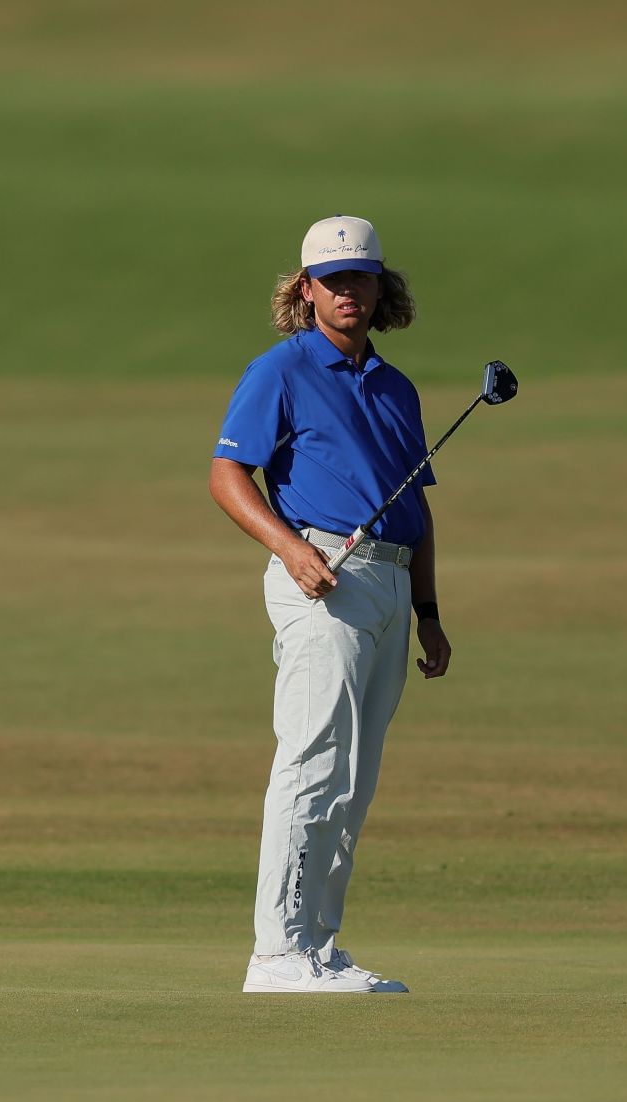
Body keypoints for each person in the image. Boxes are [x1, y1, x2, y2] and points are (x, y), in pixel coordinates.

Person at [209, 215, 451, 994]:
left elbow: (417, 509)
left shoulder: (396, 386)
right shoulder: (278, 371)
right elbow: (228, 477)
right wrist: (290, 548)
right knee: (312, 761)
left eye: (361, 277)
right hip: (324, 575)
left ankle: (316, 944)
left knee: (354, 774)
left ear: (382, 287)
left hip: (389, 581)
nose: (348, 291)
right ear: (305, 289)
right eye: (333, 279)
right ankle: (277, 952)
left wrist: (429, 610)